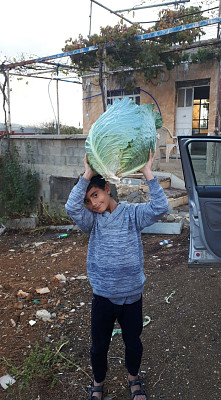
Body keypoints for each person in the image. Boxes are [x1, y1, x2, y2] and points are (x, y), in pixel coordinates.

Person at [65, 150, 168, 400]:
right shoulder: (92, 221)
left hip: (131, 295)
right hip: (103, 296)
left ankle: (133, 380)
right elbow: (71, 208)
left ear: (107, 190)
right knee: (99, 346)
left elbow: (161, 207)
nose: (94, 204)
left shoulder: (132, 214)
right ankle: (98, 382)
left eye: (96, 195)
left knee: (133, 342)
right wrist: (87, 175)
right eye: (88, 201)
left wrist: (147, 173)